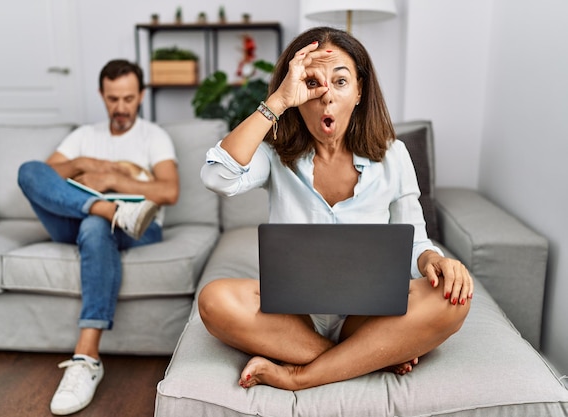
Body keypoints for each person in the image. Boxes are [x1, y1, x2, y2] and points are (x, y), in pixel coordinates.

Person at [198, 26, 473, 391]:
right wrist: (277, 102)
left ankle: (301, 375)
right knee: (214, 300)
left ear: (359, 91)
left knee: (453, 299)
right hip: (291, 317)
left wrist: (433, 261)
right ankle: (367, 355)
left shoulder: (394, 156)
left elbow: (415, 244)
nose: (326, 96)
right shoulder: (275, 154)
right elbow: (217, 176)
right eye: (312, 83)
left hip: (366, 314)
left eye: (340, 82)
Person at [17, 59, 179, 415]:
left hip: (140, 226)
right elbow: (42, 176)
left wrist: (114, 181)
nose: (120, 108)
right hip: (75, 218)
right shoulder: (83, 136)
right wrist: (85, 163)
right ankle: (106, 210)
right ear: (101, 95)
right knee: (28, 170)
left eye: (128, 98)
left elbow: (169, 190)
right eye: (112, 99)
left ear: (141, 96)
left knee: (94, 226)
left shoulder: (154, 136)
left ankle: (86, 358)